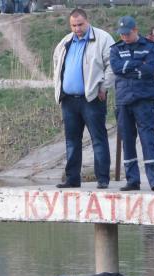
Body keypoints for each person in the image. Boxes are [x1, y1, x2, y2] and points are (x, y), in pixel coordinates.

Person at [53, 8, 114, 189]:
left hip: (92, 98)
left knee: (98, 138)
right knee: (71, 140)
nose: (77, 29)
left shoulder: (103, 38)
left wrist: (104, 86)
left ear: (87, 21)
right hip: (69, 100)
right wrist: (59, 91)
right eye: (73, 25)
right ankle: (72, 178)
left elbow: (113, 65)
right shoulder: (66, 41)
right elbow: (57, 65)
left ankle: (102, 179)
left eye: (80, 25)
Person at [111, 16, 154, 192]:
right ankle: (132, 180)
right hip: (123, 100)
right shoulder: (116, 48)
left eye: (127, 33)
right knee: (127, 140)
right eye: (122, 34)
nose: (124, 37)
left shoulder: (150, 46)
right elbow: (116, 68)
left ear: (135, 30)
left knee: (148, 140)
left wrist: (128, 68)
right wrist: (136, 65)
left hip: (144, 99)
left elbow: (149, 69)